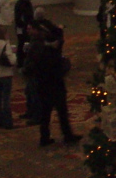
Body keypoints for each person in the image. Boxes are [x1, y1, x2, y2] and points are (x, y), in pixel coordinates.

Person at [24, 11, 77, 145]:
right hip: (52, 81)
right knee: (61, 111)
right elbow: (55, 56)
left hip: (43, 82)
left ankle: (45, 137)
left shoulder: (36, 45)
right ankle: (66, 135)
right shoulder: (43, 47)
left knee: (46, 113)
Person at [0, 27, 17, 129]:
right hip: (6, 74)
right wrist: (14, 54)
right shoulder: (6, 45)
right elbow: (12, 60)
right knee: (6, 99)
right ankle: (8, 122)